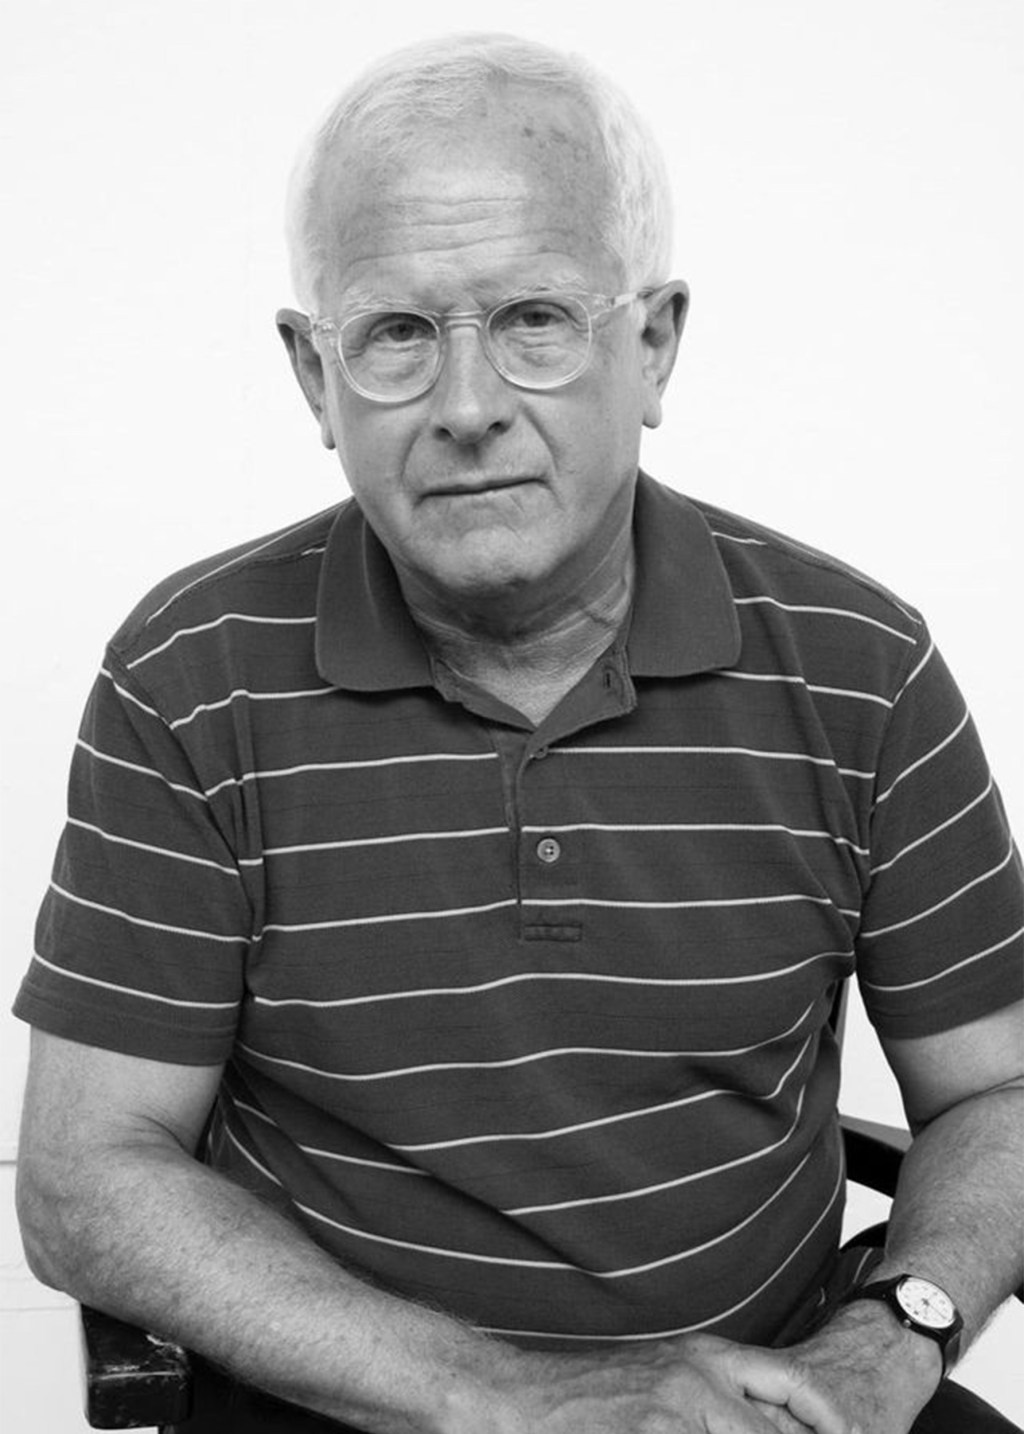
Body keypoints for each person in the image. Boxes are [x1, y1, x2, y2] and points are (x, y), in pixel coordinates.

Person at [13, 32, 1023, 1434]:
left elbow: (1000, 1091)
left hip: (769, 1406)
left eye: (536, 318)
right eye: (396, 333)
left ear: (652, 345)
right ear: (313, 378)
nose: (469, 407)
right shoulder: (190, 678)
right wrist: (513, 1400)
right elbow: (82, 1179)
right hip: (345, 1405)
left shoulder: (865, 670)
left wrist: (893, 1335)